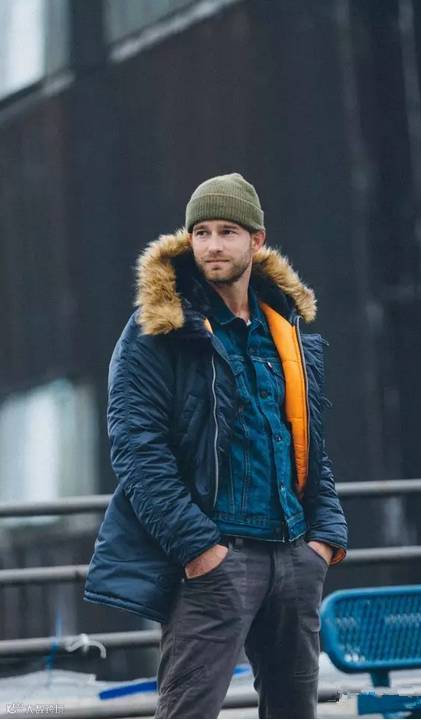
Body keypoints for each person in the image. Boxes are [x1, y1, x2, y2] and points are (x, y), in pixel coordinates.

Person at [84, 173, 348, 718]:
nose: (212, 245)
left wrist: (324, 537)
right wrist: (199, 550)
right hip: (216, 561)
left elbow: (307, 442)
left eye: (227, 231)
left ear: (256, 240)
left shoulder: (282, 327)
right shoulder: (160, 330)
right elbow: (136, 450)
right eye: (201, 232)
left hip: (294, 556)